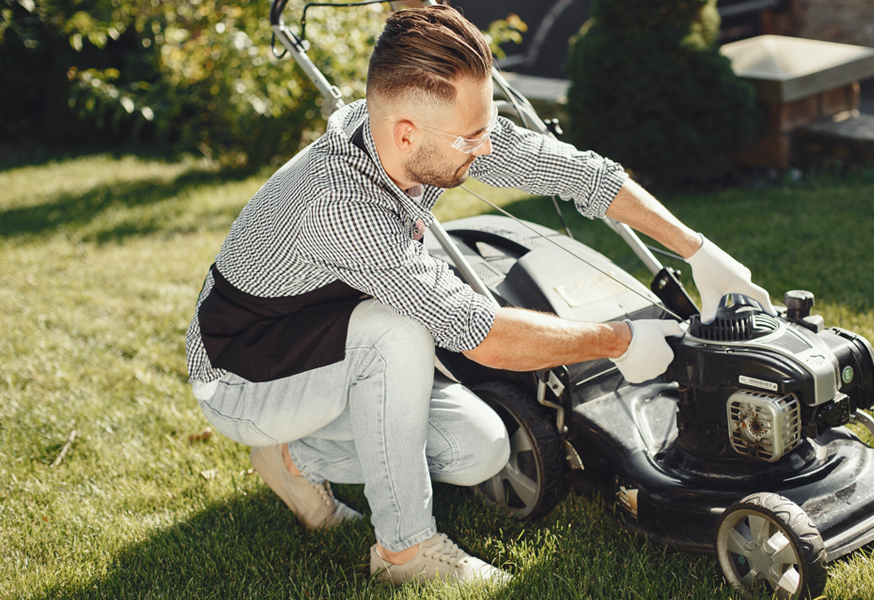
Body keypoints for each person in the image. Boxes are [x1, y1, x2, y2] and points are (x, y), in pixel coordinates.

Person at [184, 4, 773, 589]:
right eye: (471, 138)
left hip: (332, 340)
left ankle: (294, 457)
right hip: (246, 374)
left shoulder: (415, 138)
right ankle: (405, 553)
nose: (486, 148)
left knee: (481, 450)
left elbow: (574, 172)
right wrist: (620, 342)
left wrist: (700, 252)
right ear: (407, 133)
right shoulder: (340, 204)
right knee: (398, 332)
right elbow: (482, 334)